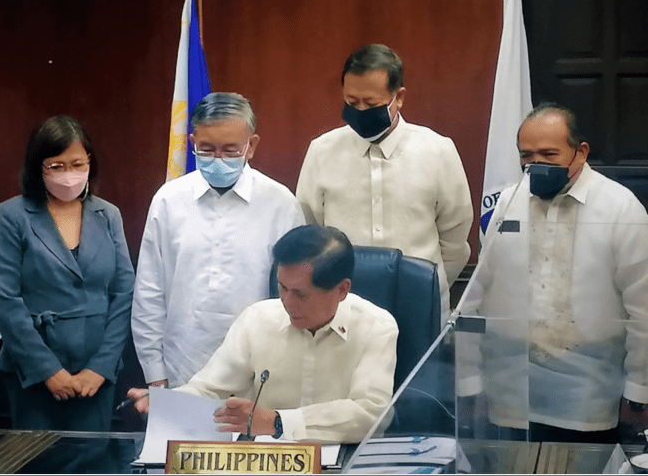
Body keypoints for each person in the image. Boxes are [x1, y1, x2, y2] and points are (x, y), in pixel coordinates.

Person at [456, 103, 648, 443]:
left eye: (549, 154)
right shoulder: (506, 204)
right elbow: (477, 298)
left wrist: (639, 392)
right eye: (526, 156)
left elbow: (643, 311)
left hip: (591, 395)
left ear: (580, 152)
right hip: (511, 394)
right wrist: (470, 382)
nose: (536, 165)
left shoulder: (620, 208)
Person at [128, 225, 398, 444]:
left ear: (341, 290)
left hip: (345, 464)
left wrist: (277, 422)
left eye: (301, 294)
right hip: (265, 464)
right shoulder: (257, 319)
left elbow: (370, 413)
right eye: (282, 288)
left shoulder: (377, 327)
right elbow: (210, 389)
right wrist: (169, 403)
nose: (288, 303)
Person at [132, 92, 304, 389]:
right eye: (207, 149)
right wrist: (154, 372)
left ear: (251, 146)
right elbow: (149, 291)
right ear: (191, 144)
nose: (218, 159)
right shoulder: (169, 200)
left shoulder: (280, 203)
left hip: (258, 371)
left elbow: (295, 292)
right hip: (181, 366)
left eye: (230, 150)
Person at [296, 44, 472, 318]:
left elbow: (455, 237)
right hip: (344, 306)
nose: (361, 111)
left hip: (418, 305)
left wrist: (423, 282)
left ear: (398, 97)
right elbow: (311, 228)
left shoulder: (438, 150)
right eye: (352, 103)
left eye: (372, 104)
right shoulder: (322, 151)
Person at [0, 115, 134, 434]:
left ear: (89, 163)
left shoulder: (108, 215)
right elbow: (4, 298)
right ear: (38, 166)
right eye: (57, 166)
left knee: (95, 460)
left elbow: (124, 295)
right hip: (33, 370)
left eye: (77, 164)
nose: (69, 175)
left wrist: (100, 368)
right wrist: (47, 370)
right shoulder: (11, 215)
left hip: (97, 371)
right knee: (36, 462)